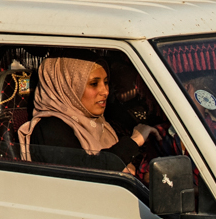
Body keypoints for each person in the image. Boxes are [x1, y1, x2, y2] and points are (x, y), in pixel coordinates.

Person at [17, 57, 159, 173]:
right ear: (67, 87)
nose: (105, 91)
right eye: (94, 84)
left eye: (106, 82)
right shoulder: (49, 128)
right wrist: (134, 141)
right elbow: (85, 172)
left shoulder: (98, 122)